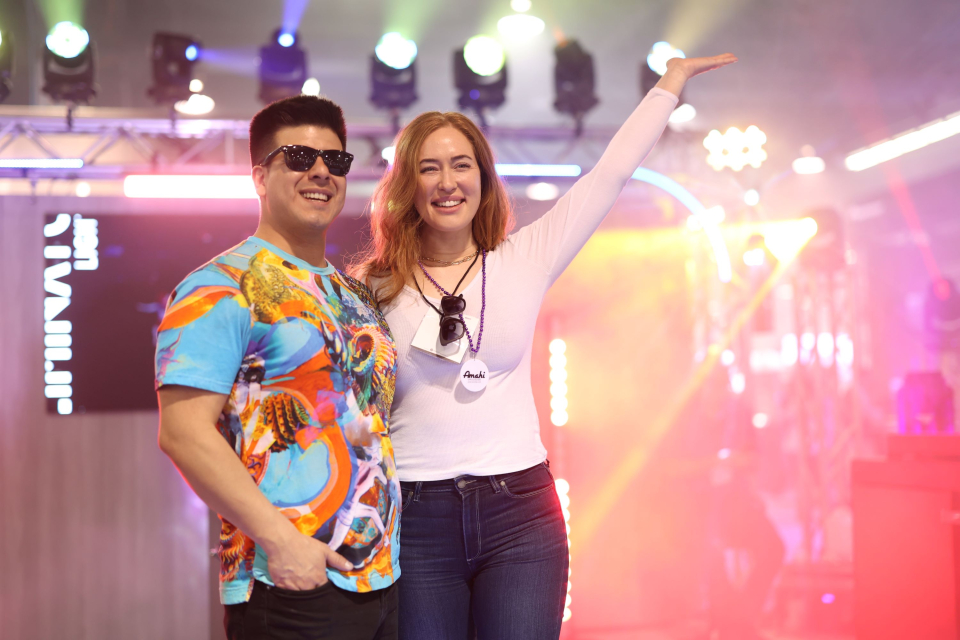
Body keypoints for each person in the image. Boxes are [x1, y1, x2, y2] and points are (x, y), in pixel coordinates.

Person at [352, 53, 737, 639]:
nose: (448, 182)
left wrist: (670, 83)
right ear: (408, 185)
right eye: (430, 168)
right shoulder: (372, 289)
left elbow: (609, 175)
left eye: (461, 165)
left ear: (484, 178)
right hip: (417, 516)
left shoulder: (524, 257)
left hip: (520, 514)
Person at [155, 95, 400, 640]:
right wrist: (282, 542)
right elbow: (183, 433)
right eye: (300, 157)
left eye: (336, 160)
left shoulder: (354, 295)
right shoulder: (217, 286)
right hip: (289, 583)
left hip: (382, 581)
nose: (321, 172)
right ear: (260, 177)